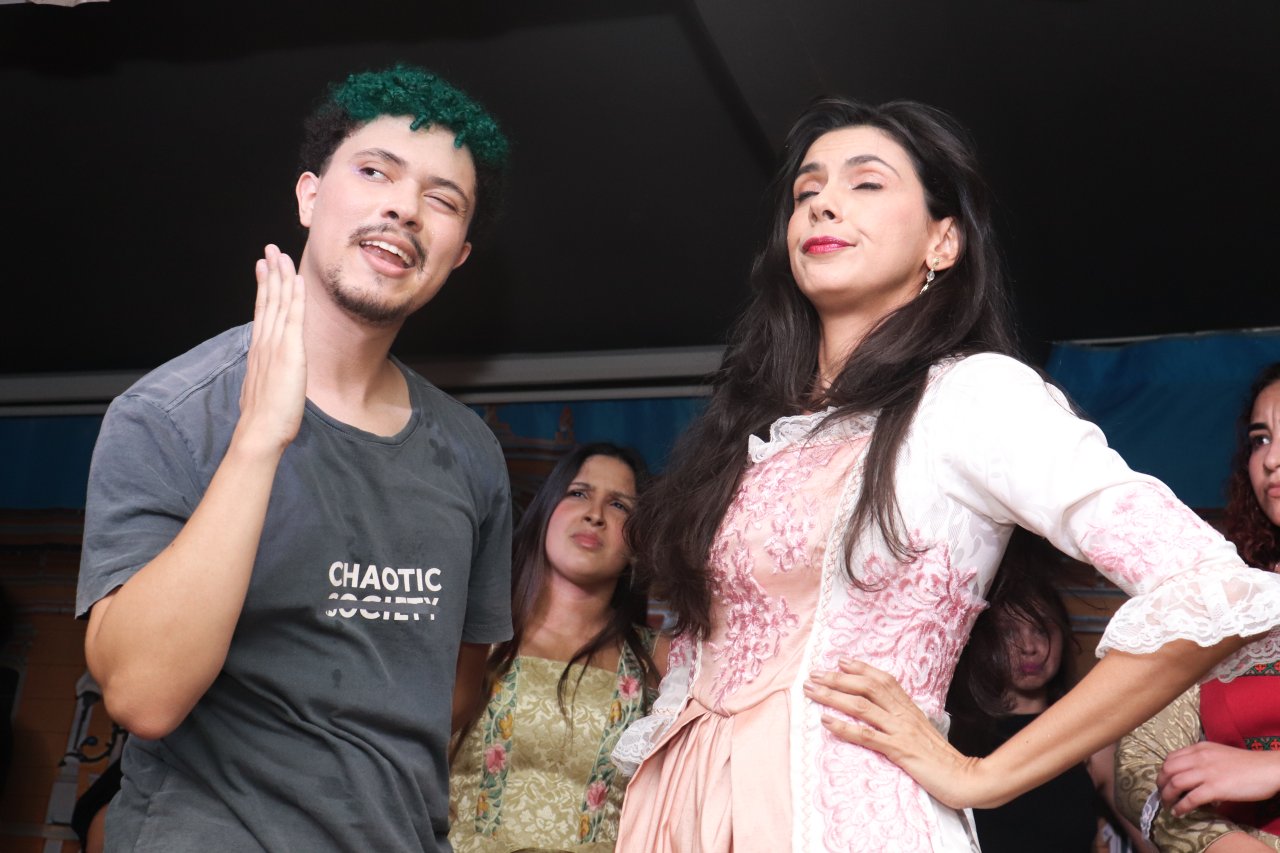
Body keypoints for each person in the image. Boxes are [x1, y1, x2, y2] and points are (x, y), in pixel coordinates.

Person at [612, 96, 1280, 852]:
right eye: (807, 190)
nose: (824, 202)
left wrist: (982, 775)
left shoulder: (970, 397)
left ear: (943, 241)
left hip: (841, 819)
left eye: (866, 182)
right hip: (686, 812)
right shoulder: (751, 432)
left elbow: (1212, 588)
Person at [75, 64, 514, 852]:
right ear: (310, 197)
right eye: (375, 170)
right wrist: (259, 440)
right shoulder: (171, 414)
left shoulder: (471, 453)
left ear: (458, 254)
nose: (405, 207)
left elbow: (450, 690)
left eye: (444, 200)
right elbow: (141, 696)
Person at [449, 443, 667, 852]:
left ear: (638, 543)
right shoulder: (472, 634)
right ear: (545, 511)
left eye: (618, 505)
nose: (594, 514)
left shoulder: (661, 659)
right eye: (578, 493)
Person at [1115, 363, 1280, 853]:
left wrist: (1272, 768)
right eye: (1261, 439)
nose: (1272, 459)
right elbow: (1140, 761)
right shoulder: (1227, 594)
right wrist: (1219, 843)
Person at [947, 531, 1151, 853]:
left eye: (1041, 630)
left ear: (1063, 636)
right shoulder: (954, 737)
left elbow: (1155, 841)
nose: (1029, 647)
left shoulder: (1091, 741)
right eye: (1009, 633)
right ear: (985, 642)